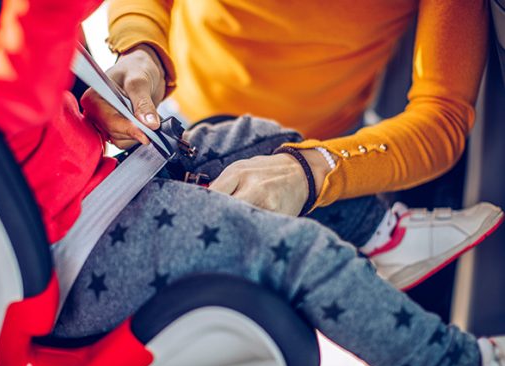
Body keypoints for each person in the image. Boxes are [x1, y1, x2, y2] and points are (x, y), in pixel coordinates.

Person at [0, 0, 503, 366]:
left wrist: (92, 92)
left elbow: (442, 117)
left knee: (251, 137)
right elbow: (17, 76)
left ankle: (382, 233)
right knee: (302, 255)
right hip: (77, 247)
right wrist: (140, 54)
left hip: (94, 190)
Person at [84, 0, 496, 289]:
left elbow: (443, 118)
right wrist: (142, 50)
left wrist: (313, 169)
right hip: (181, 116)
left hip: (322, 149)